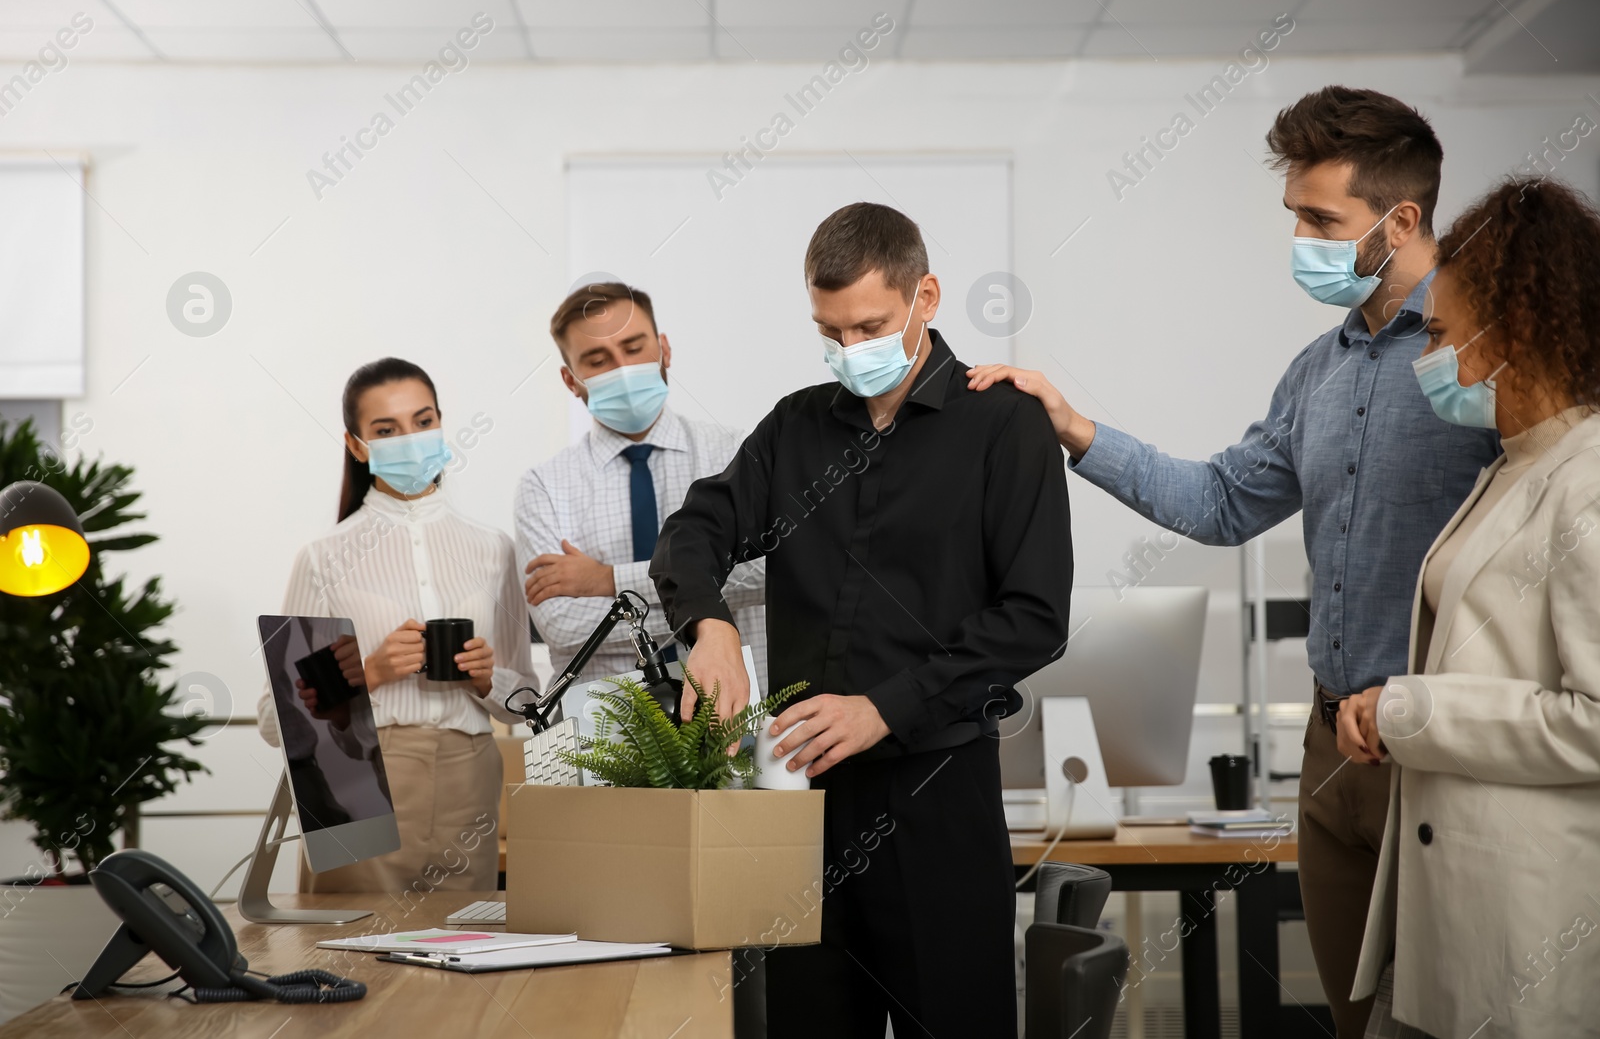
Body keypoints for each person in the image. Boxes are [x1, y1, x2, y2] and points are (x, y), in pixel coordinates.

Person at [965, 86, 1501, 1037]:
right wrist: (1073, 427)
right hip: (1331, 750)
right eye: (1293, 211)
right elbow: (1219, 502)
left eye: (1320, 217)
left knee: (1447, 1020)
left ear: (1402, 218)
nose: (1298, 234)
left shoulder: (1486, 356)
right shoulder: (1318, 368)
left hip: (1438, 745)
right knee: (1354, 1018)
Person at [650, 202, 1073, 1037]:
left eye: (870, 325)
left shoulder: (1004, 426)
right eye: (829, 331)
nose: (850, 350)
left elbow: (1034, 616)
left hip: (936, 797)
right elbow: (693, 532)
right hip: (799, 804)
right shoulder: (795, 425)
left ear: (928, 296)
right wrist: (711, 627)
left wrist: (885, 706)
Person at [1338, 178, 1600, 1039]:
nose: (1430, 356)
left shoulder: (1588, 482)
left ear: (1514, 331)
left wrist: (1412, 711)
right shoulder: (1512, 465)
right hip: (1453, 904)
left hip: (1529, 920)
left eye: (1444, 335)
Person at [257, 357, 535, 892]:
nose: (410, 439)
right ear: (358, 445)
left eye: (423, 420)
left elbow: (525, 700)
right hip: (358, 767)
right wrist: (367, 673)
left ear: (440, 423)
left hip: (469, 774)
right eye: (386, 430)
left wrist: (486, 679)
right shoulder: (323, 557)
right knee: (352, 951)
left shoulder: (494, 549)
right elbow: (275, 720)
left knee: (460, 951)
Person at [514, 281, 766, 696]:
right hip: (606, 729)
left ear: (664, 348)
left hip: (738, 706)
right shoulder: (543, 487)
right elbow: (562, 627)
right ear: (570, 380)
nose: (623, 368)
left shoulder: (736, 452)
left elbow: (770, 572)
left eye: (633, 348)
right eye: (598, 359)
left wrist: (609, 580)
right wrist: (708, 589)